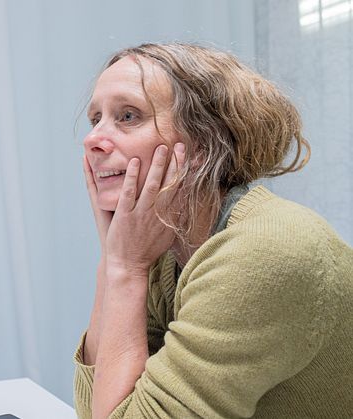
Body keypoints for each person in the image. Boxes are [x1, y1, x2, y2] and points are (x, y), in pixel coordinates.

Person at [74, 43, 353, 418]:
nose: (93, 139)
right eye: (96, 119)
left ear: (202, 144)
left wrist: (123, 268)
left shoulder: (265, 251)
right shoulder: (161, 249)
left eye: (127, 115)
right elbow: (97, 409)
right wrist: (113, 258)